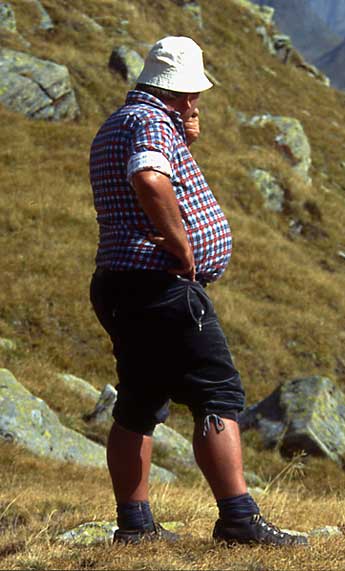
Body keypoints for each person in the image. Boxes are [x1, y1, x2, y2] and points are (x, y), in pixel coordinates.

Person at [89, 36, 307, 547]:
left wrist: (185, 136)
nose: (197, 104)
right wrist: (180, 242)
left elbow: (152, 167)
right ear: (182, 93)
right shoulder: (150, 123)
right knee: (217, 393)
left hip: (120, 283)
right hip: (162, 284)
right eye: (194, 95)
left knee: (139, 400)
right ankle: (238, 518)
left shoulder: (120, 122)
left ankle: (135, 526)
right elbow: (148, 176)